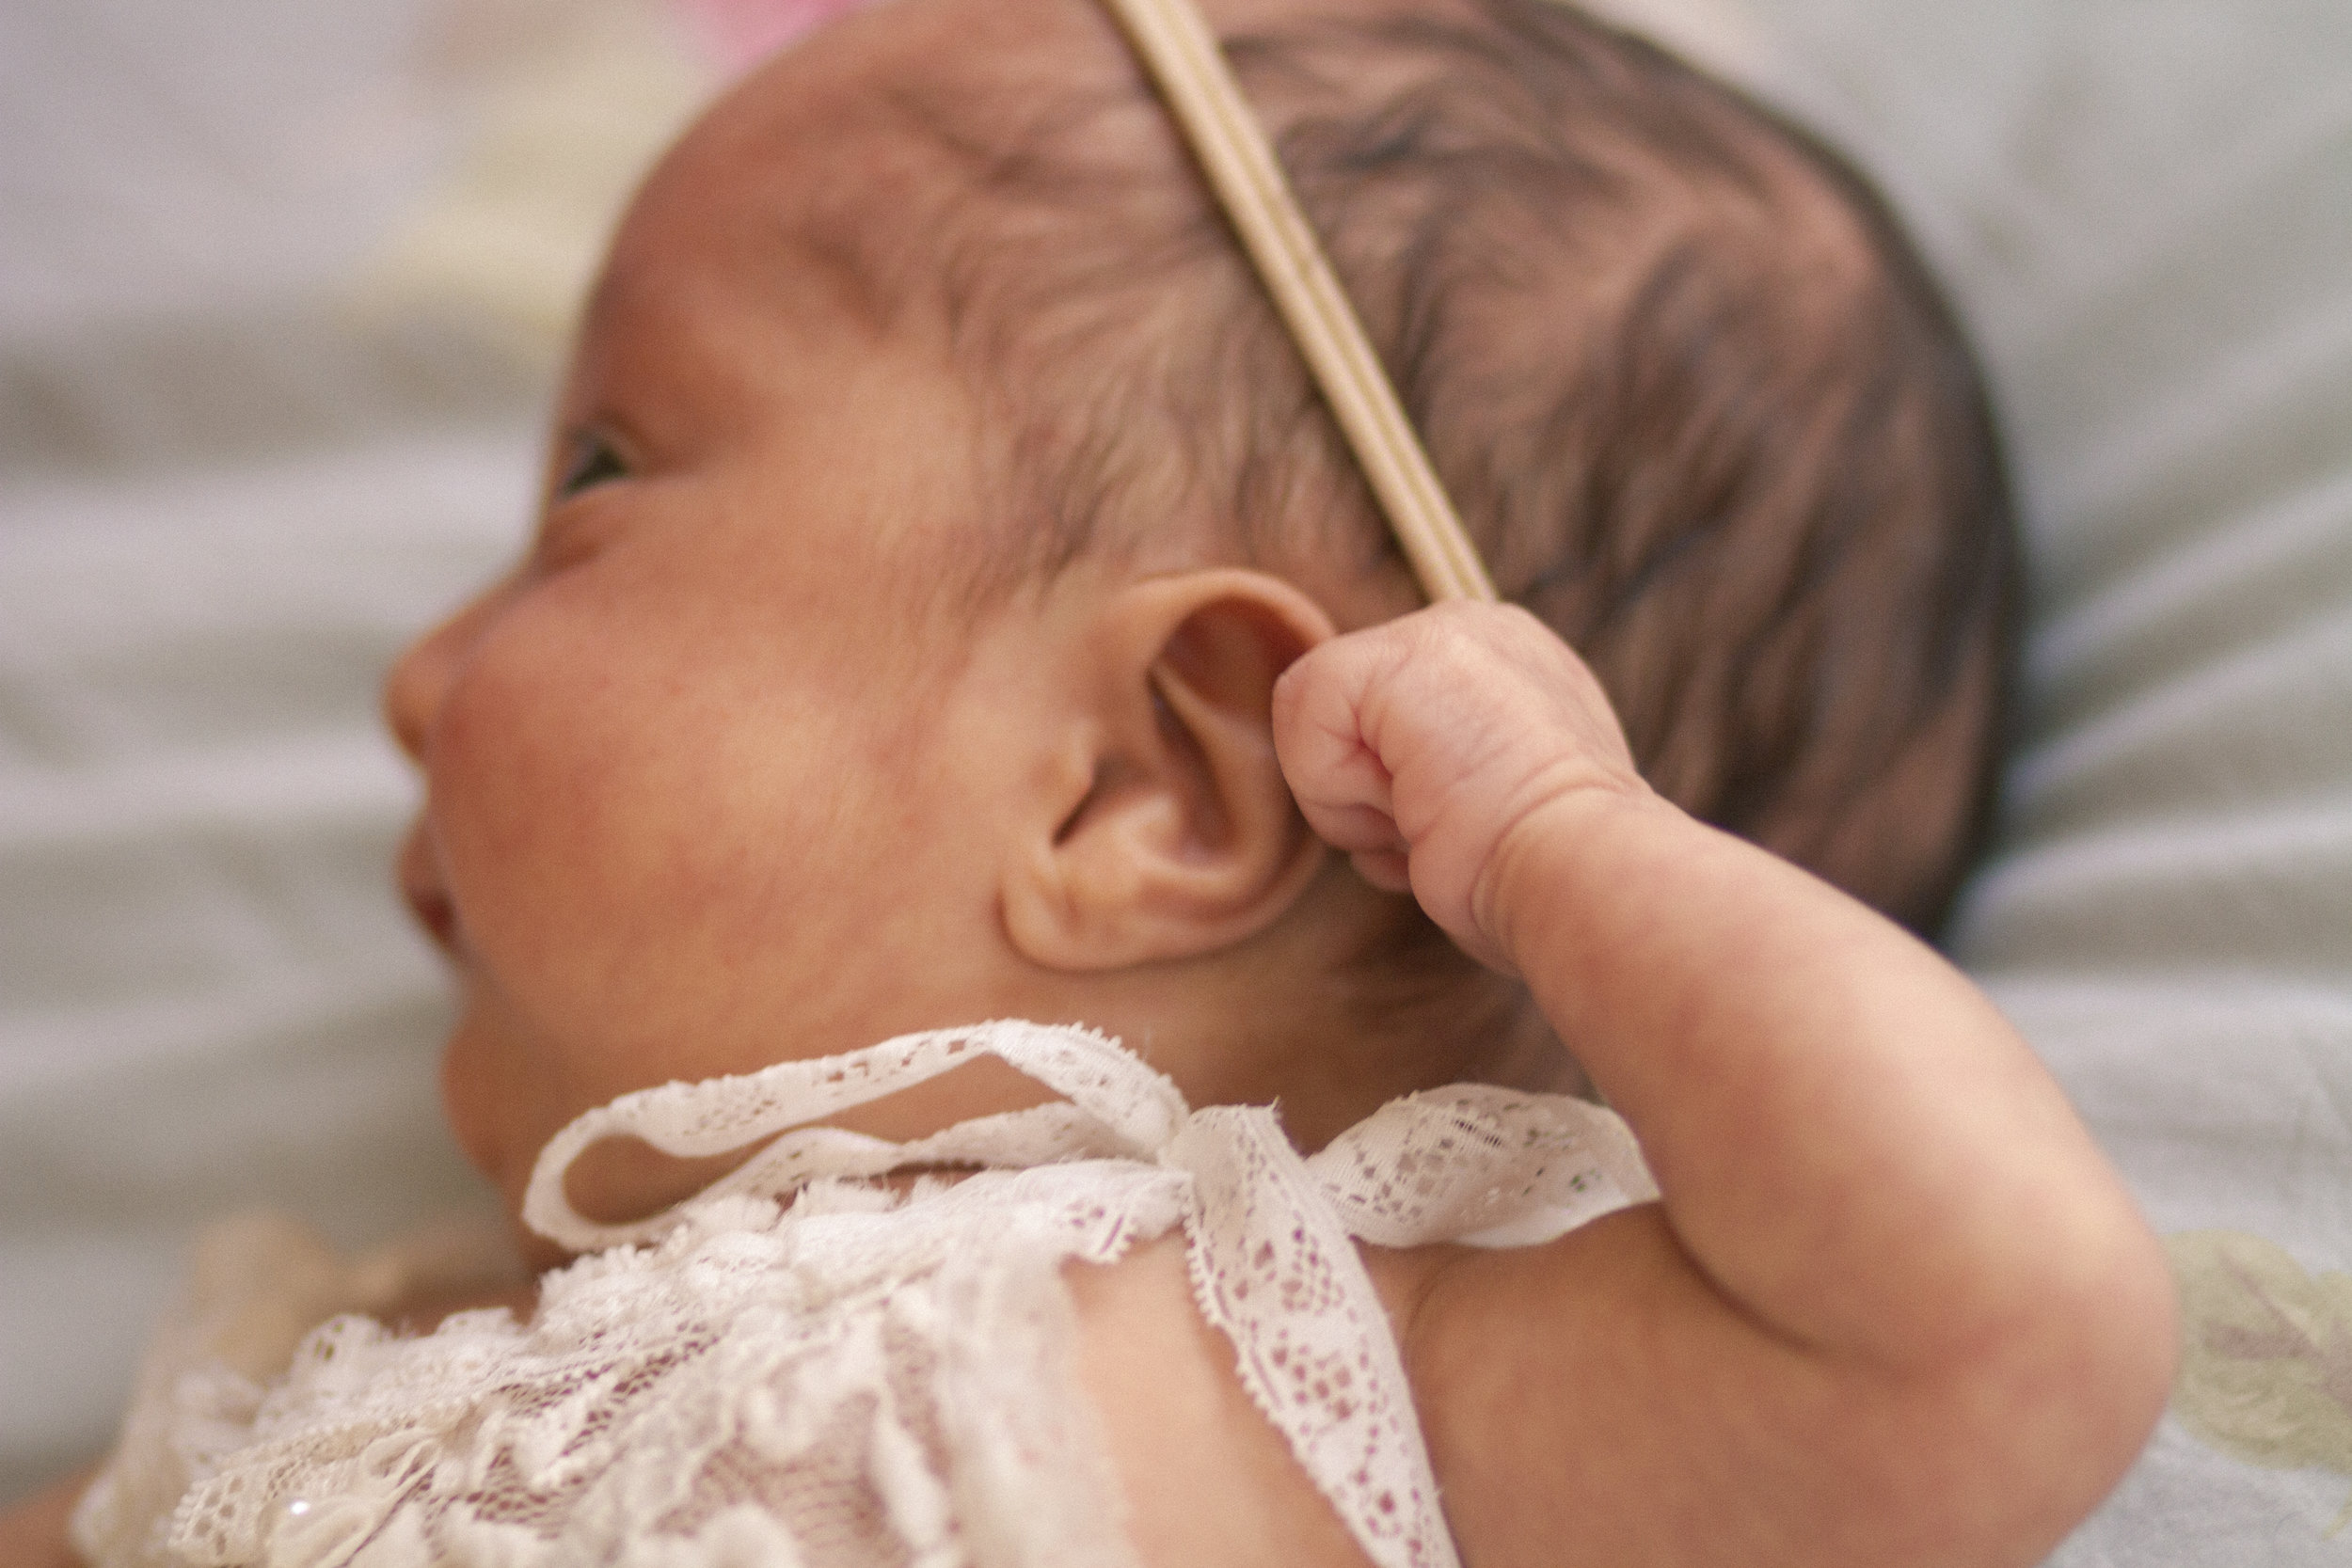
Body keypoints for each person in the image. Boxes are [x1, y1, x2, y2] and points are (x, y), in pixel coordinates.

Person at [4, 0, 2177, 1562]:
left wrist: (1549, 840)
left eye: (600, 474)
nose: (416, 677)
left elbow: (2003, 1326)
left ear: (1149, 787)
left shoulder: (1333, 1380)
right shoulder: (371, 1346)